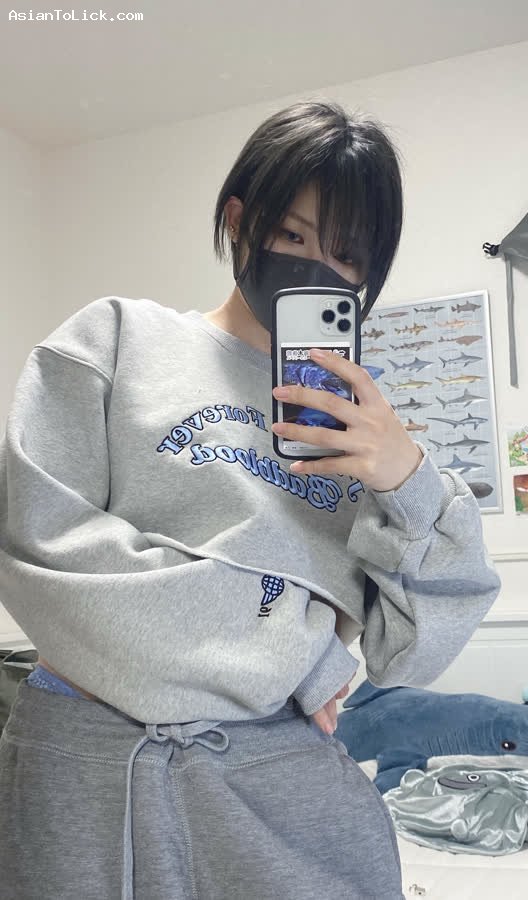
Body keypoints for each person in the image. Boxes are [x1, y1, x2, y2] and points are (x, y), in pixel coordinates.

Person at [0, 100, 501, 900]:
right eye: (292, 236)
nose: (317, 268)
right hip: (95, 762)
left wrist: (406, 479)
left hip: (278, 776)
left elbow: (412, 652)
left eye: (345, 254)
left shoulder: (360, 430)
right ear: (240, 221)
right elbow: (41, 548)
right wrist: (296, 653)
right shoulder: (115, 341)